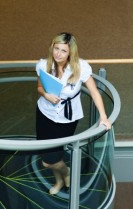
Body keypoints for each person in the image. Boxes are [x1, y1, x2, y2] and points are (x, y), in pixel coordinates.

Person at [35, 32, 111, 195]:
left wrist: (103, 117)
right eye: (56, 49)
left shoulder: (81, 67)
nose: (58, 54)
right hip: (44, 114)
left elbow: (95, 93)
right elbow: (39, 88)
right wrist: (46, 95)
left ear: (71, 52)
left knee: (49, 160)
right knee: (50, 157)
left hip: (67, 119)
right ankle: (60, 179)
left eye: (63, 50)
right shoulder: (43, 65)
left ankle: (66, 172)